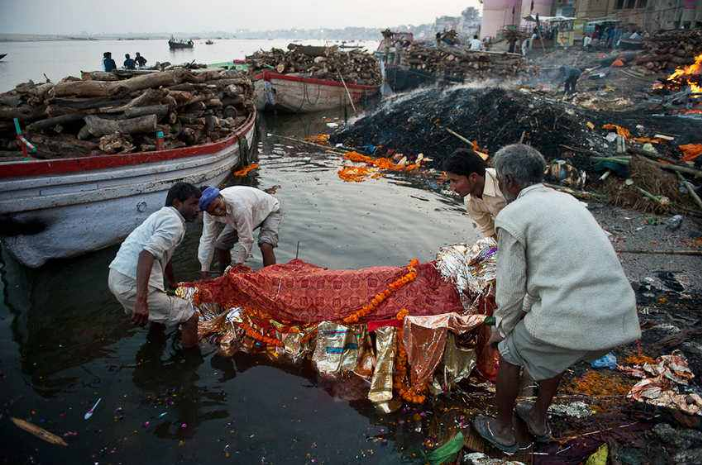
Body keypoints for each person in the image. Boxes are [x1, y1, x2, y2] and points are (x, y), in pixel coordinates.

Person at [472, 144, 640, 453]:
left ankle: (503, 430)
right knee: (556, 348)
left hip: (575, 315)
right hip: (617, 314)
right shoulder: (569, 200)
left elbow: (510, 289)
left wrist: (503, 327)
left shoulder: (513, 215)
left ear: (508, 181)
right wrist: (526, 312)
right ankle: (537, 420)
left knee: (510, 352)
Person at [108, 182, 202, 348]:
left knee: (160, 315)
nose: (198, 209)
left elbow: (164, 254)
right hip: (131, 283)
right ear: (177, 203)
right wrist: (141, 301)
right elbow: (147, 254)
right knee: (190, 316)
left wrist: (172, 283)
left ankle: (154, 346)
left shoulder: (162, 215)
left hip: (117, 275)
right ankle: (190, 363)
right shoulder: (174, 222)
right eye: (193, 204)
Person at [198, 186, 282, 278]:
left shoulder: (239, 206)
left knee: (266, 245)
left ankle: (271, 278)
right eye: (212, 211)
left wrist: (236, 264)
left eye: (217, 206)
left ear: (221, 197)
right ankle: (224, 276)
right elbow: (207, 238)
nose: (217, 212)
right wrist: (204, 269)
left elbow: (246, 240)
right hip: (241, 216)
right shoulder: (208, 212)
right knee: (221, 245)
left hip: (269, 210)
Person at [443, 149, 507, 239]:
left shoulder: (505, 184)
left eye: (455, 181)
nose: (452, 187)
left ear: (473, 177)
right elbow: (489, 231)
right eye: (450, 181)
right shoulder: (469, 201)